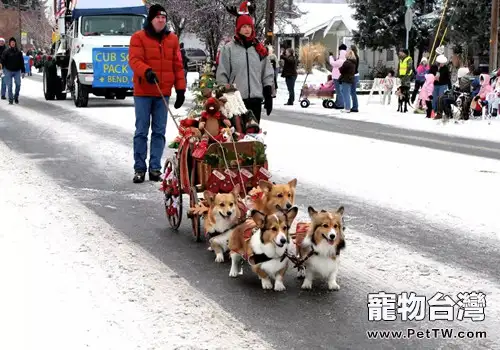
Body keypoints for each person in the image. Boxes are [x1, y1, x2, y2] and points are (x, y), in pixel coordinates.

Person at [128, 4, 186, 184]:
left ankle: (155, 167)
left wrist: (181, 88)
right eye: (157, 17)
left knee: (159, 131)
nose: (161, 20)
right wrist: (146, 71)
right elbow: (134, 60)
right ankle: (139, 168)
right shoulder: (138, 37)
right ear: (151, 19)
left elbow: (177, 65)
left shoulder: (172, 39)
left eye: (164, 17)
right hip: (144, 91)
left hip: (163, 92)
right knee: (142, 131)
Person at [216, 5, 274, 122]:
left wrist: (268, 95)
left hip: (255, 100)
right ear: (238, 29)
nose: (247, 29)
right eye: (244, 27)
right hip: (235, 101)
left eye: (249, 26)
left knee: (253, 136)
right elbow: (222, 73)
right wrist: (223, 95)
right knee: (237, 136)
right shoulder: (228, 49)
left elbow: (267, 74)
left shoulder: (259, 49)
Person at [1, 37, 25, 104]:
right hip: (8, 70)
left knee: (18, 84)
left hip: (17, 71)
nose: (13, 43)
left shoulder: (19, 52)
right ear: (9, 44)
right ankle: (11, 99)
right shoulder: (6, 52)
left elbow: (22, 62)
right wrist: (1, 69)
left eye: (14, 42)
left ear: (15, 43)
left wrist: (23, 71)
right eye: (11, 42)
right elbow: (2, 61)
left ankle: (16, 97)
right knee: (9, 85)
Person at [329, 44, 346, 109]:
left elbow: (332, 63)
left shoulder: (341, 61)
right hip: (340, 77)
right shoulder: (344, 60)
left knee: (339, 91)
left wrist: (330, 56)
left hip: (337, 77)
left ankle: (340, 104)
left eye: (339, 53)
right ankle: (338, 103)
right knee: (339, 91)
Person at [349, 44, 360, 112]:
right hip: (356, 75)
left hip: (353, 75)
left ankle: (355, 107)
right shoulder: (357, 57)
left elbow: (352, 68)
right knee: (353, 92)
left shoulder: (353, 58)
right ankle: (355, 106)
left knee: (352, 92)